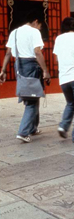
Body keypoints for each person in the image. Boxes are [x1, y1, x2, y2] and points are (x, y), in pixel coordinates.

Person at [0, 10, 50, 143]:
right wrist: (45, 70)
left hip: (19, 65)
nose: (40, 28)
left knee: (33, 95)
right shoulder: (34, 32)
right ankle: (23, 132)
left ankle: (33, 127)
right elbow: (37, 52)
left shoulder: (15, 32)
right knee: (32, 101)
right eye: (40, 25)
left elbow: (8, 53)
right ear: (36, 21)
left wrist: (3, 70)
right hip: (31, 65)